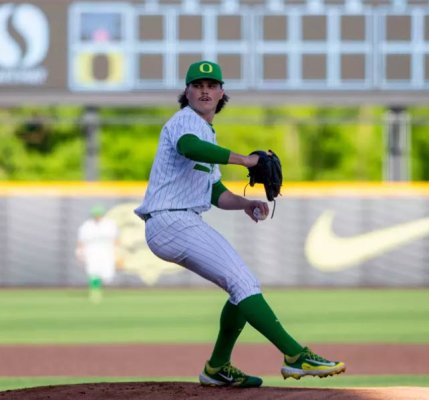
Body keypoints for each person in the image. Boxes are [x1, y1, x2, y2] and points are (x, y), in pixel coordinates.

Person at [134, 60, 346, 387]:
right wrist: (246, 160)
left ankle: (217, 367)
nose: (205, 91)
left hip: (177, 221)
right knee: (243, 282)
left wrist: (246, 204)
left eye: (211, 85)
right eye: (197, 85)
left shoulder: (207, 131)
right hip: (171, 220)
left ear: (221, 93)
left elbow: (215, 192)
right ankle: (295, 355)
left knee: (241, 287)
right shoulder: (184, 121)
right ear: (187, 93)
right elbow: (190, 148)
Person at [76, 204, 120, 302]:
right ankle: (95, 293)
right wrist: (79, 251)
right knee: (93, 272)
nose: (97, 216)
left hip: (107, 251)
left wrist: (117, 251)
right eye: (95, 214)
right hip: (91, 251)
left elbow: (116, 239)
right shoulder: (87, 226)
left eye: (99, 214)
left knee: (107, 275)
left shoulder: (110, 225)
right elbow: (81, 240)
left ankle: (98, 287)